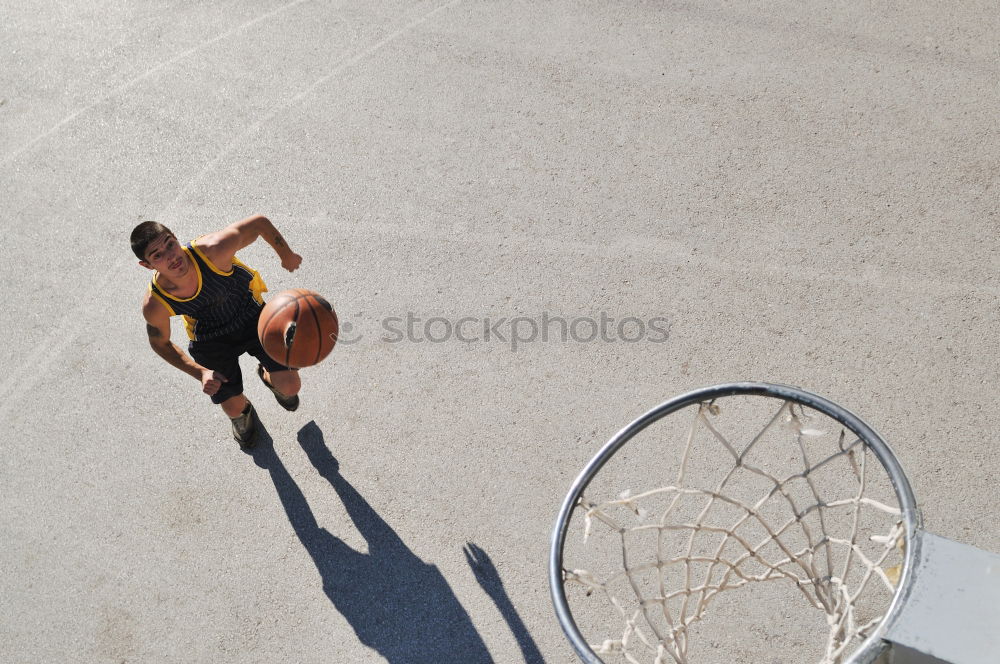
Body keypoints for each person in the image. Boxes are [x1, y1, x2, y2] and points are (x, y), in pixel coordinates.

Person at [132, 214, 303, 448]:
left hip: (250, 314)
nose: (171, 256)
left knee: (291, 387)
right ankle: (243, 411)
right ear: (147, 265)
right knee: (232, 407)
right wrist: (200, 372)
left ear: (175, 238)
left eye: (170, 244)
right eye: (157, 255)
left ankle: (268, 375)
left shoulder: (212, 251)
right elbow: (160, 343)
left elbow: (258, 223)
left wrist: (287, 255)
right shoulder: (155, 304)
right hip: (210, 337)